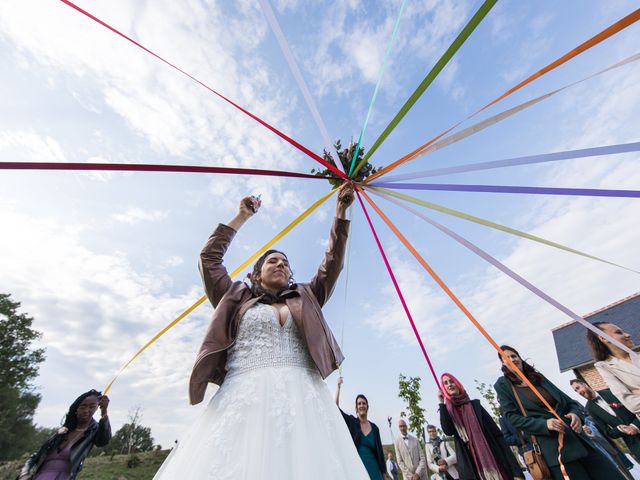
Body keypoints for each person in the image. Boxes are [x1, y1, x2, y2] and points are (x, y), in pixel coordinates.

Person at [154, 185, 369, 479]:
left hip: (304, 400)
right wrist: (241, 216)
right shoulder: (234, 297)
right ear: (256, 273)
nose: (281, 264)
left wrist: (341, 211)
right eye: (273, 261)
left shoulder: (307, 296)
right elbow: (209, 260)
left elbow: (332, 264)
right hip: (244, 397)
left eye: (285, 263)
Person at [494, 345, 625, 480]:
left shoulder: (538, 377)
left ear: (519, 358)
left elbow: (570, 402)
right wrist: (544, 424)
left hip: (579, 440)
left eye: (514, 356)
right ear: (503, 363)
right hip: (554, 449)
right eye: (506, 358)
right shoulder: (502, 385)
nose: (512, 359)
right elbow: (512, 417)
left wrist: (576, 415)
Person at [438, 373, 523, 480]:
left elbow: (498, 436)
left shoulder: (475, 406)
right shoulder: (448, 412)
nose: (449, 384)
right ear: (443, 389)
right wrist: (442, 404)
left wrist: (516, 470)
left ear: (457, 384)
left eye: (451, 381)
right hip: (472, 466)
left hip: (495, 461)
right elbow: (448, 430)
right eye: (445, 383)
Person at [18, 390, 111, 480]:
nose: (86, 410)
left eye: (92, 407)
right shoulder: (62, 432)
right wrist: (24, 474)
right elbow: (37, 456)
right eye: (83, 407)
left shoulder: (93, 431)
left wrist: (104, 412)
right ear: (76, 409)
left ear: (96, 408)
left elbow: (103, 440)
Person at [570, 378, 640, 462]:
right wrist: (619, 429)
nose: (579, 392)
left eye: (578, 388)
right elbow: (608, 432)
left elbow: (637, 409)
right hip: (635, 444)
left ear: (585, 384)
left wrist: (634, 426)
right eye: (576, 391)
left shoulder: (611, 392)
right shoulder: (589, 410)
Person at [335, 376, 386, 479]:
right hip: (358, 469)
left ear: (367, 406)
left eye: (363, 403)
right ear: (356, 408)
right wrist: (338, 387)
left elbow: (379, 451)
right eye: (359, 404)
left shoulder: (375, 428)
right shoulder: (352, 422)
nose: (361, 405)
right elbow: (336, 409)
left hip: (375, 470)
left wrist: (383, 472)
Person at [587, 322, 640, 417]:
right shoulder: (603, 366)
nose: (628, 335)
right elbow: (631, 404)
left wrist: (635, 391)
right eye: (619, 332)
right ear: (603, 338)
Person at [581, 416, 634, 480]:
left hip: (609, 452)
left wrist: (590, 432)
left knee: (625, 474)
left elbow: (601, 436)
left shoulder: (587, 420)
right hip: (593, 462)